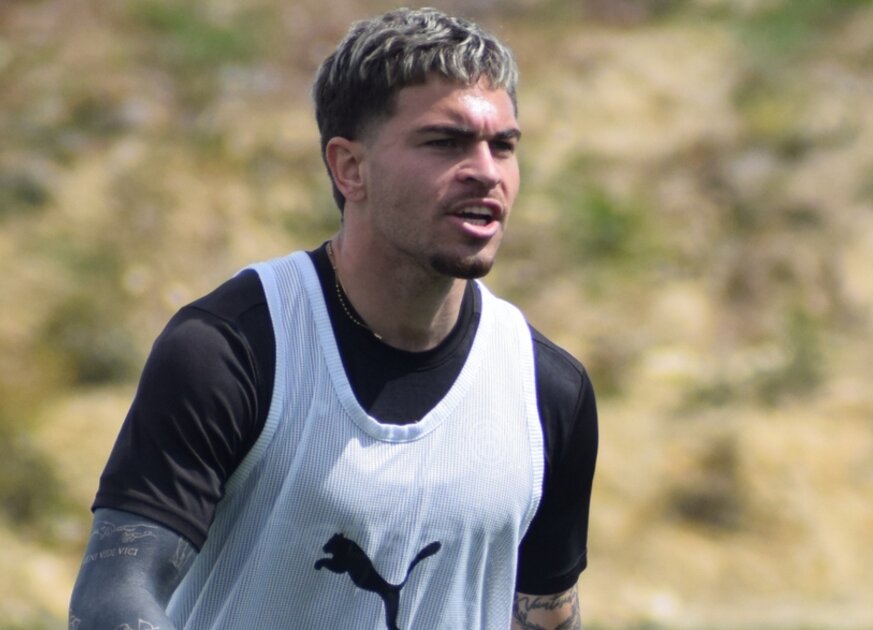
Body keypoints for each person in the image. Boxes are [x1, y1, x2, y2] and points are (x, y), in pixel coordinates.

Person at [68, 7, 598, 629]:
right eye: (445, 142)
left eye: (503, 145)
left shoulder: (547, 391)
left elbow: (546, 615)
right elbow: (113, 600)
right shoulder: (231, 350)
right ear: (350, 168)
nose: (486, 171)